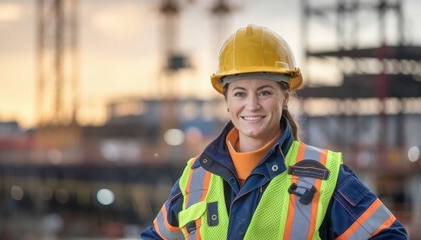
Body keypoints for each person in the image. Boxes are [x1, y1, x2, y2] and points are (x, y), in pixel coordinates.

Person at [141, 24, 408, 239]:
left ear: (285, 96)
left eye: (265, 92)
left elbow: (389, 235)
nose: (252, 105)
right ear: (226, 101)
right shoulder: (196, 175)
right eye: (239, 93)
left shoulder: (323, 175)